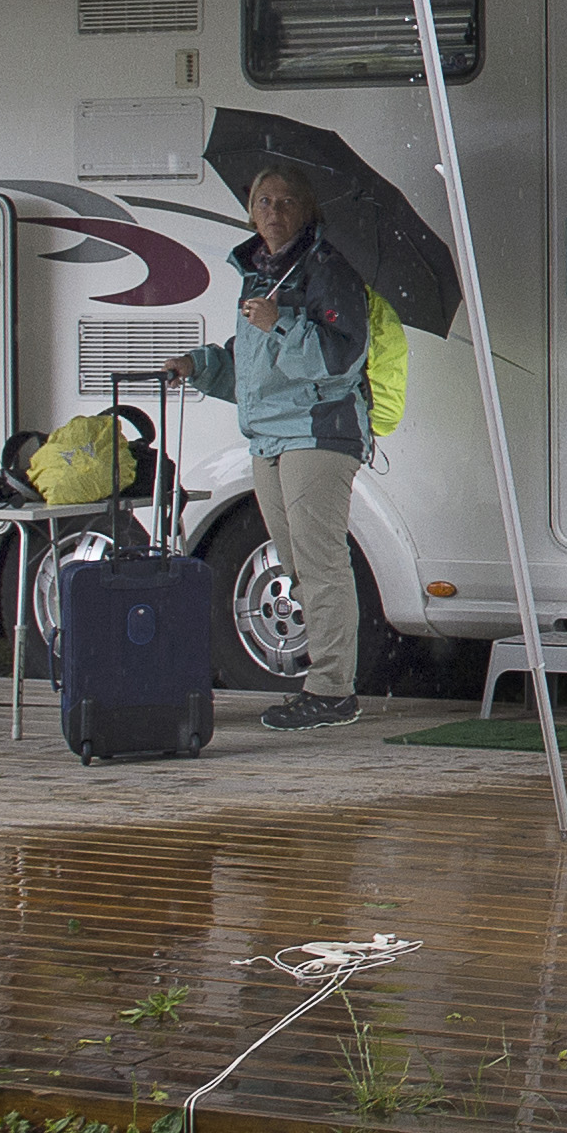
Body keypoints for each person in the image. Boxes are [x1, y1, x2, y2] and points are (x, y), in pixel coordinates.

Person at [179, 166, 374, 732]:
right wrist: (200, 366)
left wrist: (281, 323)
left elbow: (340, 360)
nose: (273, 210)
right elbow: (253, 367)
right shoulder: (257, 273)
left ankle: (333, 690)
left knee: (320, 562)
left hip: (318, 432)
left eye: (287, 200)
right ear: (249, 211)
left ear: (307, 210)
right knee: (296, 562)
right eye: (263, 199)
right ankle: (329, 684)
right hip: (269, 434)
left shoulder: (327, 269)